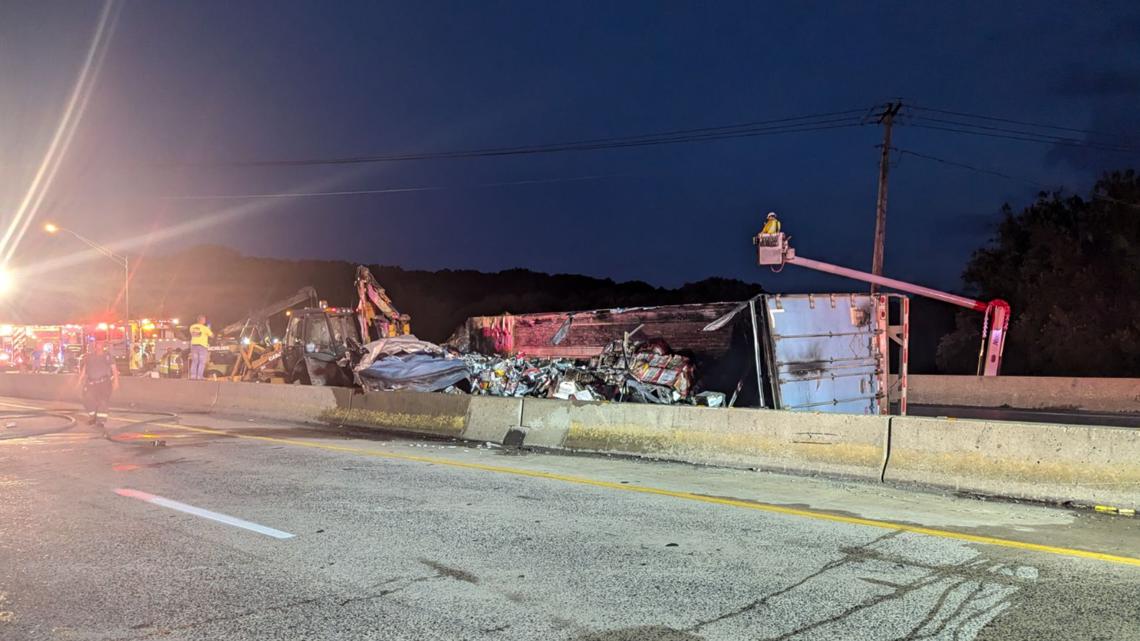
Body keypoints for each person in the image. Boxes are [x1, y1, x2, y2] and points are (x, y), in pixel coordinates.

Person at [78, 341, 118, 427]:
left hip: (104, 383)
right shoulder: (89, 357)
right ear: (95, 347)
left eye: (101, 345)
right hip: (91, 383)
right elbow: (85, 368)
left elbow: (114, 369)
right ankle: (93, 417)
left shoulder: (108, 356)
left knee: (103, 401)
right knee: (87, 399)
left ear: (104, 347)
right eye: (97, 345)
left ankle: (101, 421)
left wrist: (116, 381)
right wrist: (80, 379)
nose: (99, 347)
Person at [188, 315, 213, 380]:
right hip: (202, 346)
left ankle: (193, 376)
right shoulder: (205, 328)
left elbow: (193, 334)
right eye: (204, 320)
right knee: (202, 362)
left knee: (194, 361)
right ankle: (199, 376)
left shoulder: (192, 327)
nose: (205, 321)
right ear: (201, 320)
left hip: (193, 346)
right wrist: (209, 330)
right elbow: (212, 335)